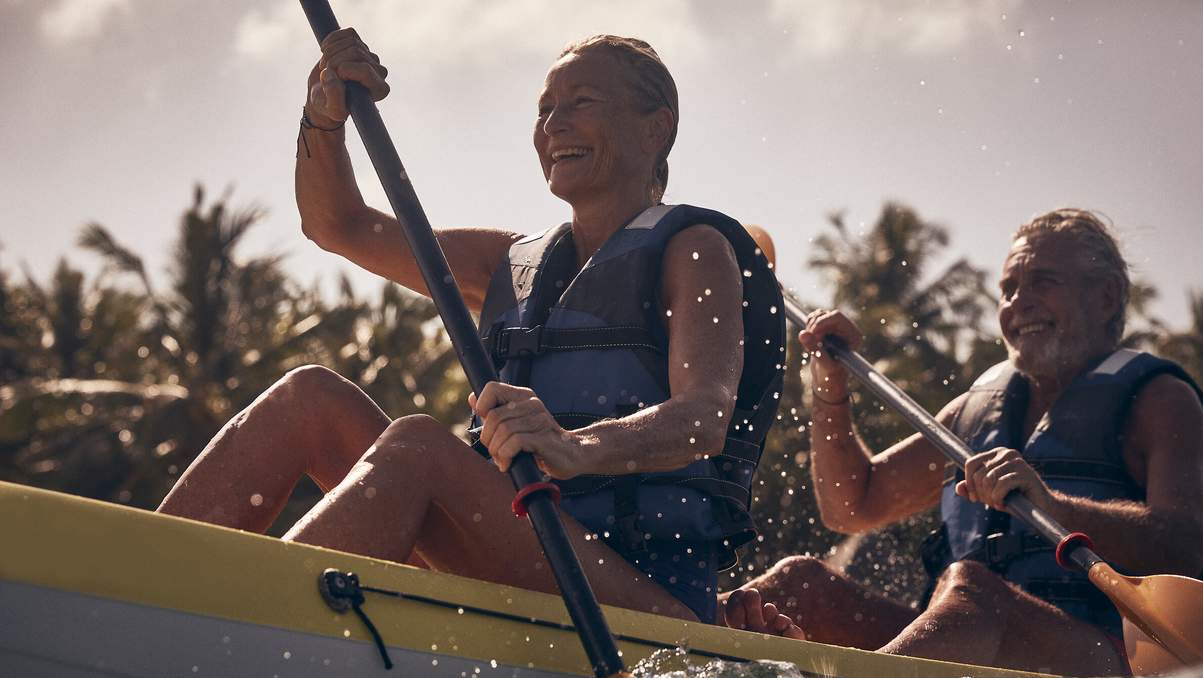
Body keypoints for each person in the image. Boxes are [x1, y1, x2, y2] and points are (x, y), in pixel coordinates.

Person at [158, 31, 784, 624]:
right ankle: (140, 580)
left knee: (420, 448)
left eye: (582, 102)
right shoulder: (509, 264)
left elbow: (703, 418)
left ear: (657, 126)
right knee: (308, 399)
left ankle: (246, 627)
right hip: (519, 545)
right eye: (545, 109)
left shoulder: (694, 247)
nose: (554, 124)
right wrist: (324, 116)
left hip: (644, 597)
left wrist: (575, 447)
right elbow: (338, 226)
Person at [723, 209, 1203, 676]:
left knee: (973, 589)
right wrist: (830, 389)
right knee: (800, 584)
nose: (1017, 302)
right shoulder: (973, 411)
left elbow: (1182, 544)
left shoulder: (1159, 399)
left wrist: (1051, 505)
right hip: (968, 642)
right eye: (1008, 289)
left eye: (1043, 282)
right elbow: (850, 505)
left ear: (1107, 297)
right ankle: (689, 657)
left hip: (1107, 659)